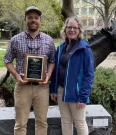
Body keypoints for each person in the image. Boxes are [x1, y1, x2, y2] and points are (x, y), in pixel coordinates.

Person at [4, 6, 55, 135]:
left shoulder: (49, 40)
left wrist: (48, 76)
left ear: (40, 20)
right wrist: (16, 76)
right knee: (20, 124)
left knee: (42, 123)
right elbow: (7, 60)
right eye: (30, 17)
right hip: (22, 87)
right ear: (25, 19)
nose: (33, 20)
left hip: (42, 88)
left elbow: (52, 61)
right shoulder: (15, 39)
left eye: (36, 18)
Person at [50, 16, 95, 135]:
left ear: (79, 30)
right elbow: (56, 71)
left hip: (76, 93)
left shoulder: (85, 49)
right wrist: (54, 90)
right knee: (65, 121)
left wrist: (84, 97)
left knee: (79, 122)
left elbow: (89, 75)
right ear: (65, 30)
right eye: (69, 27)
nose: (71, 30)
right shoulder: (61, 48)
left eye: (75, 27)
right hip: (61, 90)